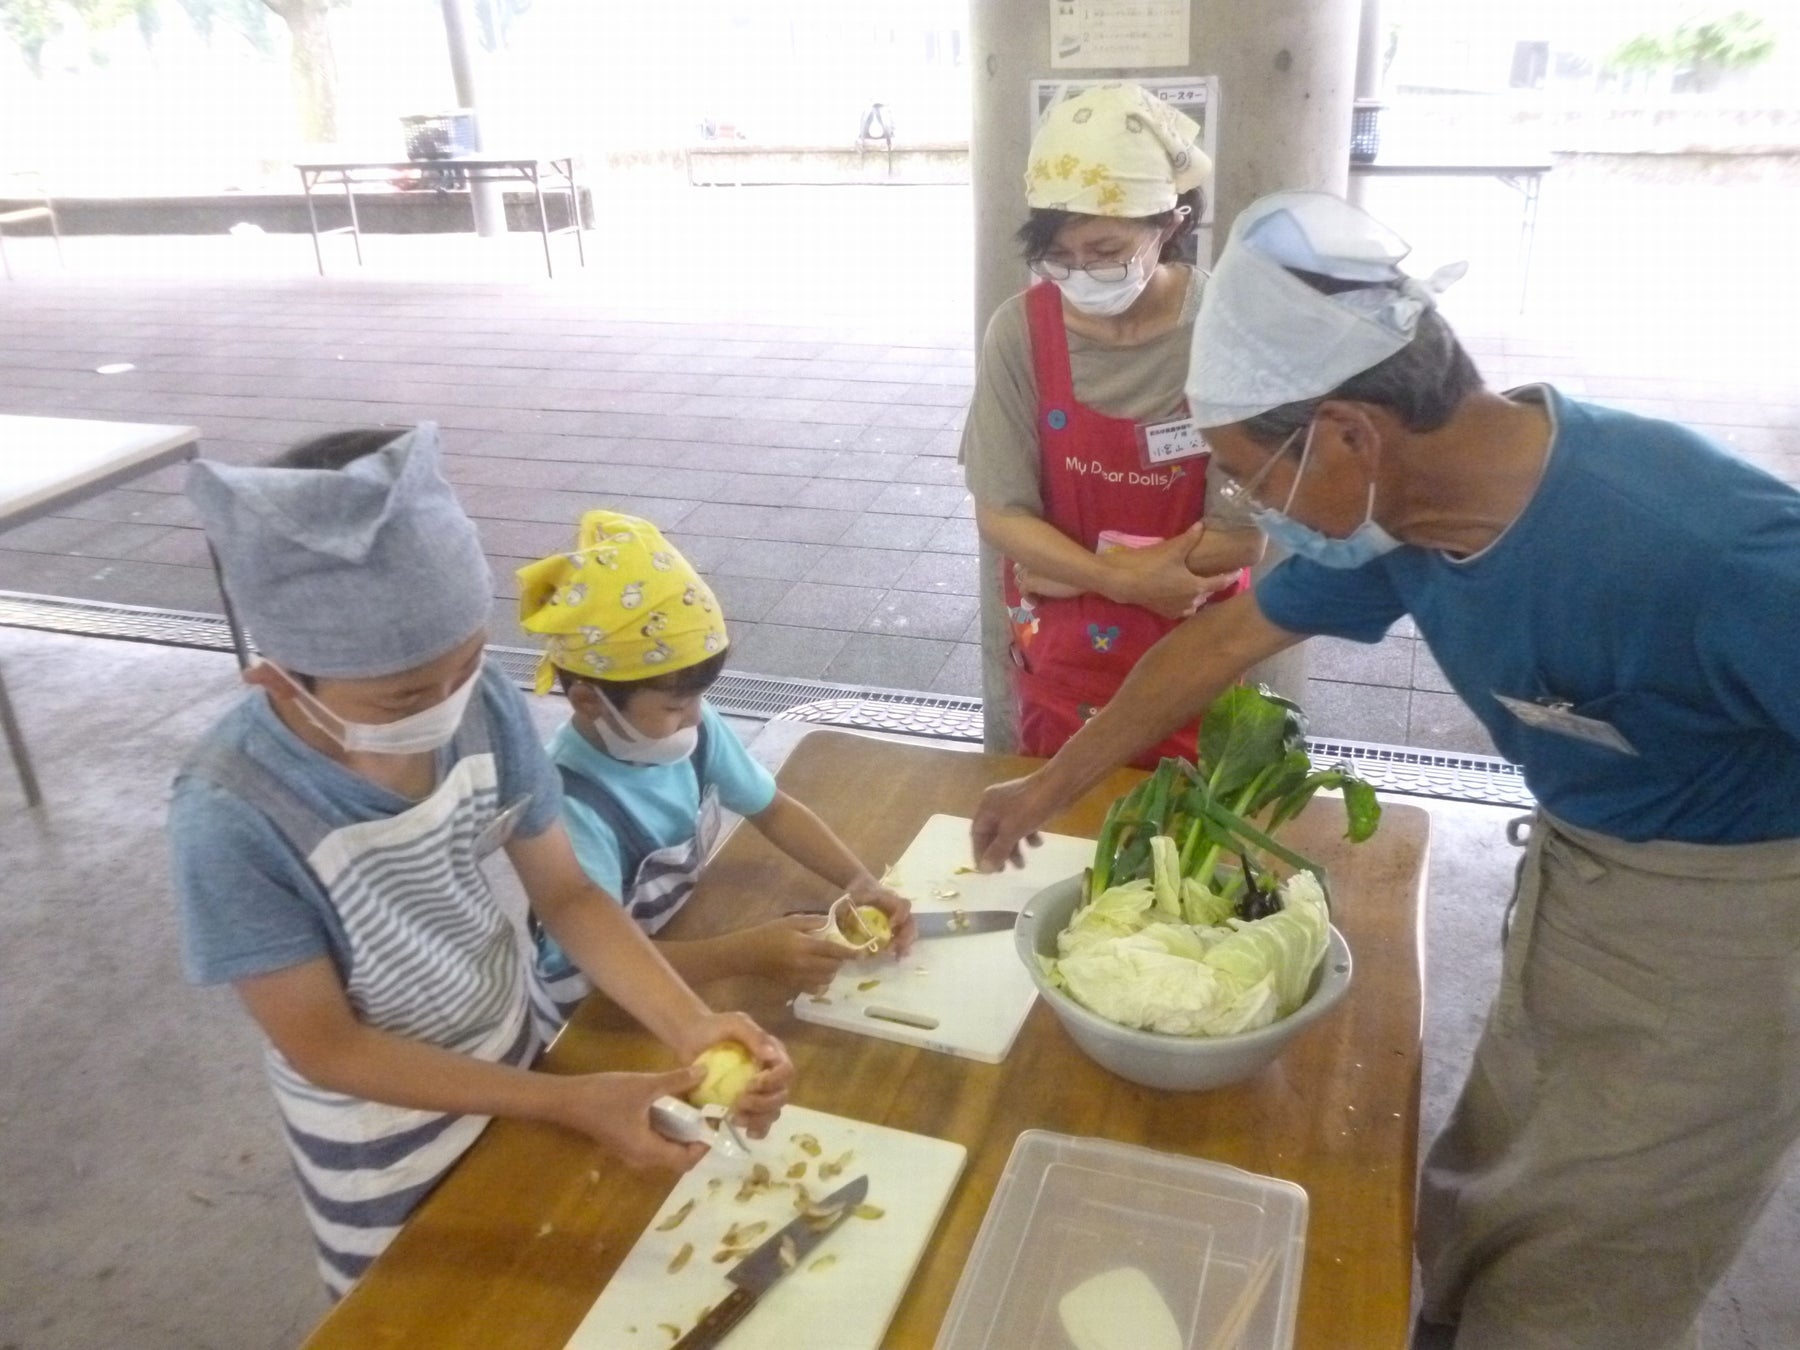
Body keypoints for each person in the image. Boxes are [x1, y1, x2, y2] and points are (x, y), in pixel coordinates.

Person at [969, 190, 1800, 1350]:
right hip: (1581, 870)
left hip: (1740, 917)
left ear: (1352, 433)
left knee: (1600, 1244)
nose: (1255, 509)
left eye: (1255, 476)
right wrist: (1049, 785)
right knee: (1488, 1175)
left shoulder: (1703, 543)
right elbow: (1218, 641)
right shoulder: (1404, 522)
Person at [167, 426, 793, 1297]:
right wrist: (569, 1101)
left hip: (514, 1051)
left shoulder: (481, 706)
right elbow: (327, 1046)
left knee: (543, 1269)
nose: (449, 704)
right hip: (378, 1138)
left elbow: (570, 893)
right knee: (429, 1303)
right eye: (404, 696)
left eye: (465, 665)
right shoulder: (233, 815)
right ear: (277, 678)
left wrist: (688, 1023)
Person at [962, 81, 1264, 766]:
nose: (1079, 274)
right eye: (1059, 255)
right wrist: (1128, 578)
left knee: (1188, 846)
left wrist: (1068, 568)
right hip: (1063, 660)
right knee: (1058, 833)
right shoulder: (1020, 333)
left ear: (1171, 224)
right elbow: (1002, 515)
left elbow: (1241, 541)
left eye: (1105, 251)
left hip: (1195, 648)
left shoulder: (1231, 332)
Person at [517, 509, 915, 1020]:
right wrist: (742, 954)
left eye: (699, 698)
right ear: (589, 701)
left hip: (675, 957)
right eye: (673, 706)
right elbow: (598, 965)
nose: (694, 716)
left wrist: (858, 880)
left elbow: (772, 809)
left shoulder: (693, 730)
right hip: (598, 1014)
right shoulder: (571, 808)